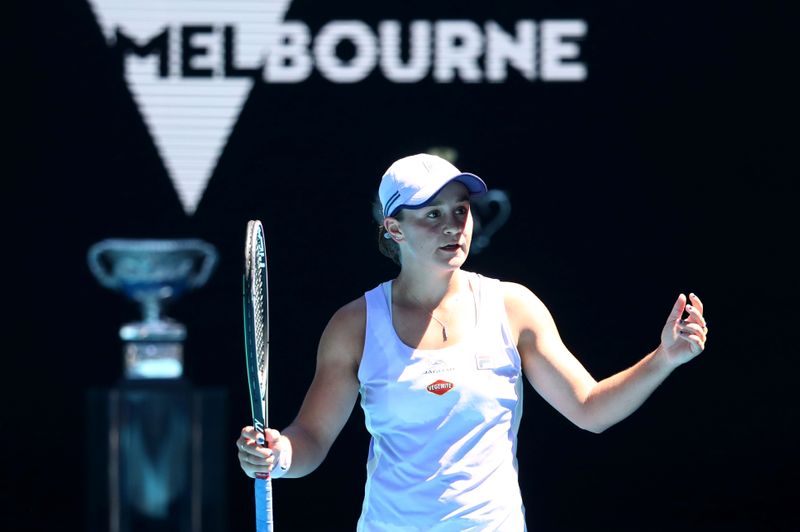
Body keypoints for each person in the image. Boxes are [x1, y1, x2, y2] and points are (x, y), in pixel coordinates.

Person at [236, 153, 709, 531]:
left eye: (460, 210)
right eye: (432, 214)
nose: (452, 225)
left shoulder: (513, 305)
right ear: (394, 229)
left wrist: (663, 359)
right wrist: (278, 455)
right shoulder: (354, 325)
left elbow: (590, 409)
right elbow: (312, 439)